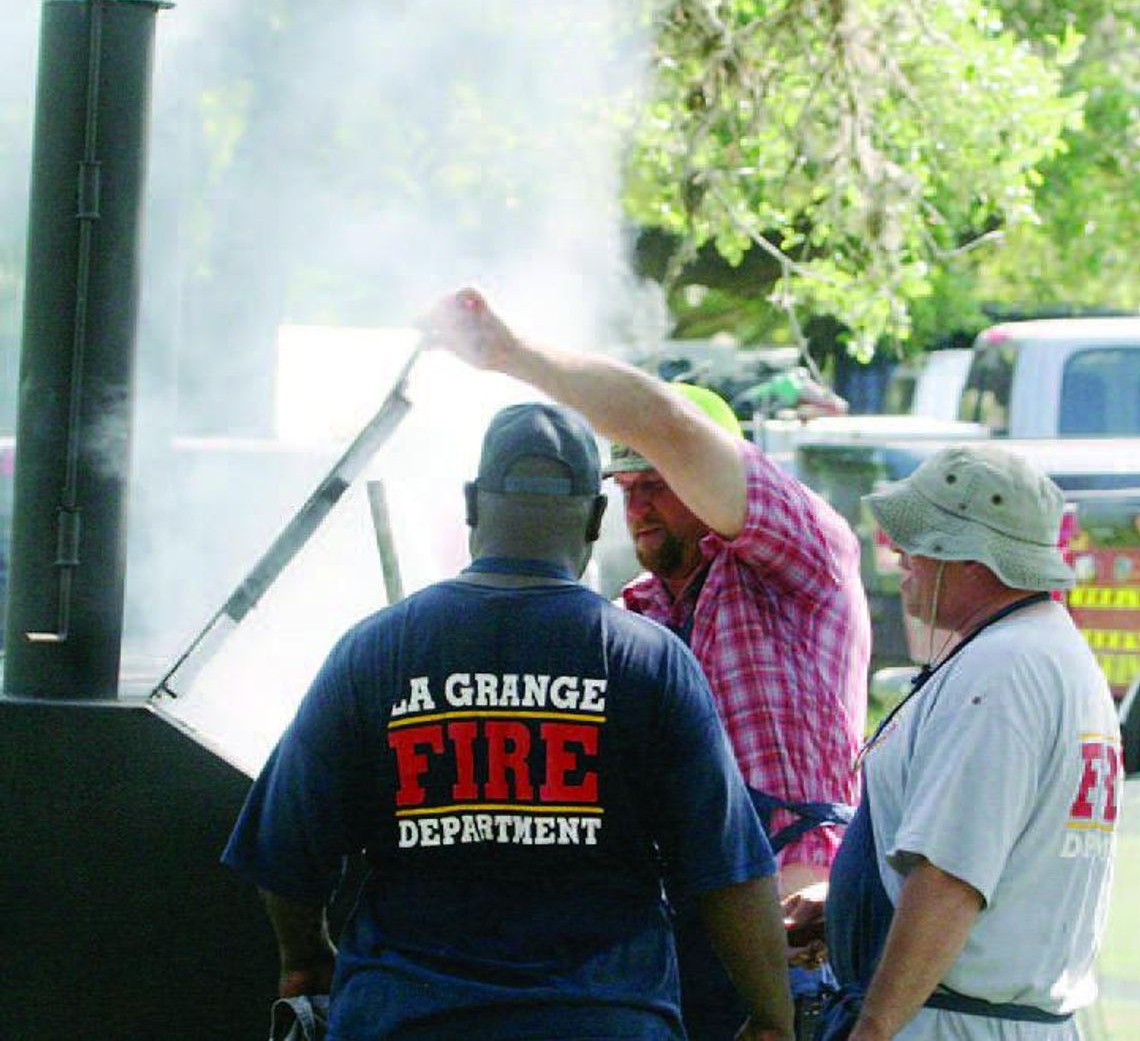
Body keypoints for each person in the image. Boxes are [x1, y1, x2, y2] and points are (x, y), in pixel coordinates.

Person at [223, 401, 795, 1041]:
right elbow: (729, 872)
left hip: (406, 1018)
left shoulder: (373, 651)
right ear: (596, 516)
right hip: (603, 1022)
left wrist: (306, 961)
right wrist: (772, 1016)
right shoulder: (651, 662)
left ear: (473, 503)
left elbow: (285, 853)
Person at [424, 288, 871, 1039]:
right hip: (668, 940)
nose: (636, 506)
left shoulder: (804, 560)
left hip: (794, 920)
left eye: (657, 483)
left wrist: (510, 355)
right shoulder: (634, 616)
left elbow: (663, 425)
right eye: (625, 488)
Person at [792, 443, 1123, 1040]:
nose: (899, 552)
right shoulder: (1050, 651)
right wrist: (847, 904)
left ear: (971, 555)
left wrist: (872, 1029)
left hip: (951, 1024)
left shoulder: (1002, 668)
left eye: (918, 537)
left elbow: (950, 879)